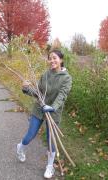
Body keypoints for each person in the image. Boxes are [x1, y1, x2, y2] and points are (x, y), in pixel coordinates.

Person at [16, 49, 72, 179]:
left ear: (61, 60)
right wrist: (26, 89)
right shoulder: (46, 74)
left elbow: (62, 95)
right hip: (39, 108)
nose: (52, 61)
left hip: (54, 112)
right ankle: (20, 148)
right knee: (30, 135)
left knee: (51, 140)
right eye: (50, 58)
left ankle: (50, 166)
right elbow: (38, 93)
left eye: (55, 58)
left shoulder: (67, 78)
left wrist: (52, 107)